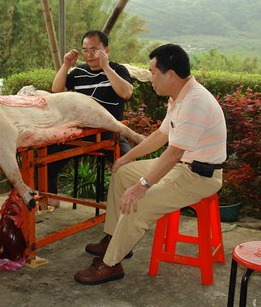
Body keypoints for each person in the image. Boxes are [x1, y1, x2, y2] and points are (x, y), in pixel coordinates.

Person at [74, 43, 226, 285]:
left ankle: (111, 263)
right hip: (181, 166)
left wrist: (142, 186)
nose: (150, 77)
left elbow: (173, 153)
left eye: (153, 72)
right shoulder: (178, 97)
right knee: (123, 173)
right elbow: (160, 136)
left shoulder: (194, 102)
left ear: (171, 75)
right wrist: (125, 158)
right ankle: (115, 239)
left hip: (199, 176)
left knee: (139, 201)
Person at [43, 29, 134, 207]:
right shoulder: (79, 72)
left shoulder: (117, 69)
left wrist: (106, 67)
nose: (89, 55)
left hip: (109, 131)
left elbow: (126, 93)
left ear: (106, 50)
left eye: (94, 50)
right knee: (45, 154)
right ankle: (50, 197)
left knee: (128, 162)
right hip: (79, 130)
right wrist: (66, 65)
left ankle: (127, 205)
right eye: (85, 50)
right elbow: (56, 90)